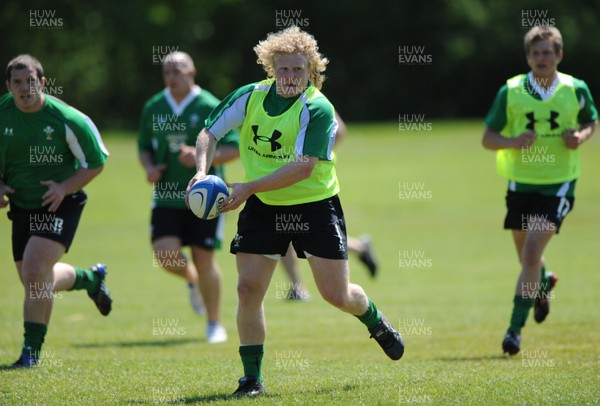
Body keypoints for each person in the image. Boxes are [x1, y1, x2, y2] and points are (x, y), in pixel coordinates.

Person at [187, 26, 404, 397]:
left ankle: (375, 321)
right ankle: (251, 379)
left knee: (336, 295)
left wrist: (246, 188)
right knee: (248, 288)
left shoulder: (316, 107)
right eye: (284, 69)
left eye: (298, 70)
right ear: (272, 68)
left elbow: (303, 167)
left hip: (314, 206)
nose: (290, 77)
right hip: (264, 206)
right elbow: (209, 131)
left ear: (311, 71)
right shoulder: (250, 96)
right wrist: (201, 172)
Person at [482, 26, 597, 355]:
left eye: (548, 52)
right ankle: (542, 286)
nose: (542, 58)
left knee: (531, 254)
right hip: (521, 185)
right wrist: (511, 142)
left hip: (559, 185)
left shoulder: (576, 89)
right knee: (528, 260)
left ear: (559, 55)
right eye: (536, 53)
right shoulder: (512, 90)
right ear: (528, 57)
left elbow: (592, 121)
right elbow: (488, 138)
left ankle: (513, 332)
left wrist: (582, 136)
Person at [0, 54, 113, 367]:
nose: (24, 88)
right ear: (8, 86)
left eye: (30, 81)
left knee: (36, 272)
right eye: (17, 83)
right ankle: (90, 279)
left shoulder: (68, 119)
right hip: (22, 207)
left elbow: (96, 161)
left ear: (43, 82)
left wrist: (64, 187)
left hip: (59, 203)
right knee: (33, 280)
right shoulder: (2, 114)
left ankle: (30, 354)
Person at [138, 51, 238, 343]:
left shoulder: (209, 104)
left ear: (192, 73)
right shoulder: (154, 107)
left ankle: (214, 324)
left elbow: (233, 148)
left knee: (204, 260)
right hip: (167, 196)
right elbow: (144, 146)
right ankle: (193, 282)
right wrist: (149, 168)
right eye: (167, 72)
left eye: (178, 71)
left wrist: (200, 156)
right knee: (165, 256)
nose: (172, 76)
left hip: (206, 197)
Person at [279, 114, 378, 301]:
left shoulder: (313, 102)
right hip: (284, 177)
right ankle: (297, 287)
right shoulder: (277, 102)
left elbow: (339, 131)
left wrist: (313, 152)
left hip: (308, 181)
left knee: (307, 233)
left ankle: (358, 248)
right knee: (285, 231)